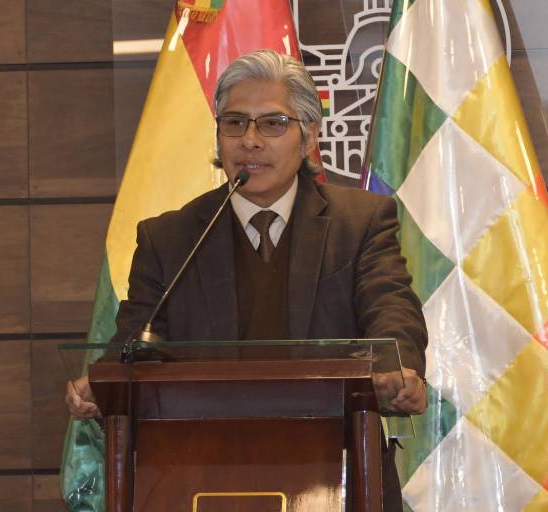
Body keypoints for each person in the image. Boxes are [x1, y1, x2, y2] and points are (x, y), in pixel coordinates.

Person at [65, 49, 428, 507]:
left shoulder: (359, 222)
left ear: (309, 136)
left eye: (272, 123)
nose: (250, 141)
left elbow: (391, 306)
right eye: (235, 123)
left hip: (337, 476)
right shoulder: (171, 238)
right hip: (199, 478)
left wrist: (398, 367)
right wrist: (103, 385)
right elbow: (135, 344)